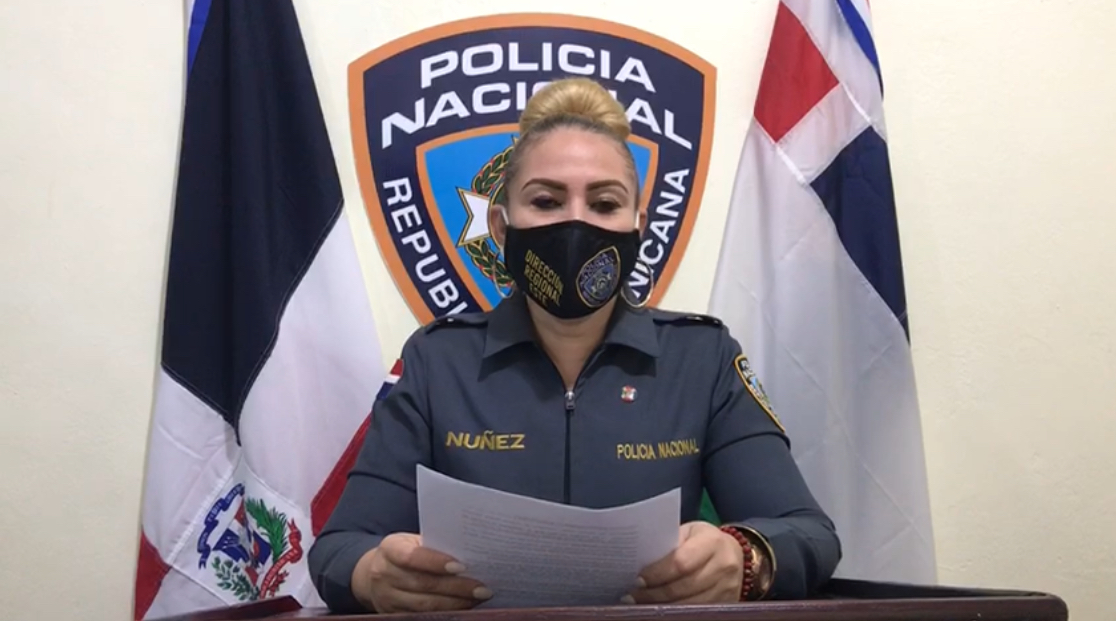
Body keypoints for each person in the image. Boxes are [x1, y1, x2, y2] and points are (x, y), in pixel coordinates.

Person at [308, 77, 841, 614]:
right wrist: (373, 574)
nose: (576, 222)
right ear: (501, 226)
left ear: (638, 225)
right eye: (546, 200)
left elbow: (808, 534)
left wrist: (746, 559)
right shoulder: (437, 361)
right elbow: (340, 547)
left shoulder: (702, 359)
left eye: (605, 203)